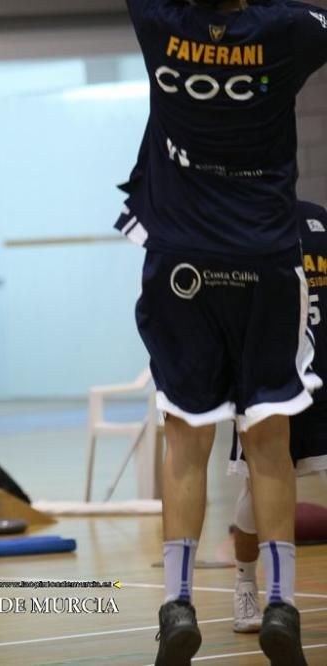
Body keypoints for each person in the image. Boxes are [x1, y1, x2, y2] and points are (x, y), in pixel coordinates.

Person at [120, 1, 327, 663]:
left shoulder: (159, 22)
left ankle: (178, 603)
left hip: (180, 260)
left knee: (186, 438)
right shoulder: (290, 29)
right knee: (269, 438)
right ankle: (281, 606)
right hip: (265, 258)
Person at [227, 199, 327, 633]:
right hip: (265, 379)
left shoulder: (319, 220)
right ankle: (247, 583)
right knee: (259, 491)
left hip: (321, 375)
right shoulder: (235, 225)